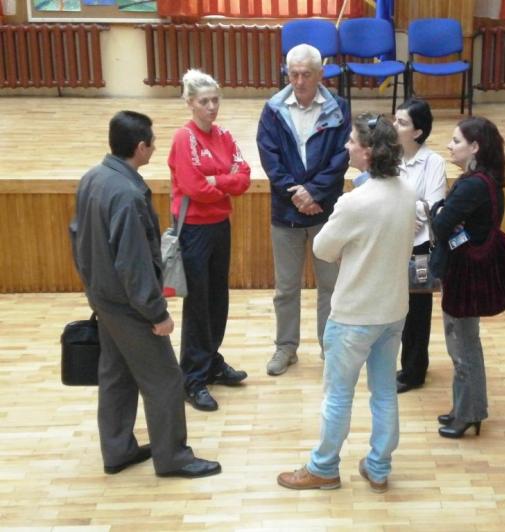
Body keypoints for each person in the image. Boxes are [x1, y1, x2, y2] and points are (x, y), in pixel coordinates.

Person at [70, 110, 221, 478]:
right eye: (152, 143)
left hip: (103, 297)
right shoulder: (127, 195)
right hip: (130, 305)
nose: (154, 148)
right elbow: (133, 263)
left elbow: (76, 237)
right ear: (140, 147)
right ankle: (173, 458)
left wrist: (93, 289)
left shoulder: (92, 178)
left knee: (116, 374)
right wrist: (157, 313)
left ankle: (117, 450)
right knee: (166, 378)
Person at [277, 113, 416, 493]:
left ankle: (323, 468)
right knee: (384, 392)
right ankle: (379, 467)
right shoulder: (408, 191)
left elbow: (322, 249)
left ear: (368, 152)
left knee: (338, 395)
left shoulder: (354, 202)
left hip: (354, 315)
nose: (346, 146)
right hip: (393, 311)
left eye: (352, 141)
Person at [256, 43, 350, 376]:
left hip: (326, 211)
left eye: (306, 74)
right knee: (285, 289)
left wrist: (314, 193)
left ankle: (329, 347)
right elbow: (269, 157)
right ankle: (285, 348)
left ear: (320, 74)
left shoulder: (339, 108)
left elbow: (342, 156)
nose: (298, 81)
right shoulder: (273, 109)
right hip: (286, 212)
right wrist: (296, 194)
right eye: (293, 74)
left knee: (330, 286)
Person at [168, 69, 251, 412]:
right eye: (204, 101)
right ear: (190, 103)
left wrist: (215, 181)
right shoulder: (183, 138)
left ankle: (210, 360)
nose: (212, 107)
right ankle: (192, 378)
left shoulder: (225, 135)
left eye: (215, 100)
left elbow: (244, 177)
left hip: (219, 225)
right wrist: (222, 181)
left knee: (218, 298)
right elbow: (193, 187)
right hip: (193, 229)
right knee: (198, 303)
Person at [430, 116, 505, 438]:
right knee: (462, 341)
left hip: (464, 272)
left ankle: (469, 413)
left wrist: (438, 211)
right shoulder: (485, 180)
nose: (449, 146)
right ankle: (464, 408)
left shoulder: (473, 185)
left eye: (456, 141)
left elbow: (440, 224)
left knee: (462, 345)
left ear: (475, 147)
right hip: (467, 269)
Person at [392, 98, 447, 394]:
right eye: (395, 120)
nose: (394, 126)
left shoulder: (434, 162)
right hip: (393, 243)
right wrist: (406, 210)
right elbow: (377, 193)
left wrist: (403, 209)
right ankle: (403, 364)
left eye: (401, 122)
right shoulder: (390, 157)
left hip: (421, 247)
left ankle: (414, 371)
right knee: (397, 307)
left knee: (419, 310)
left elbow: (434, 206)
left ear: (417, 132)